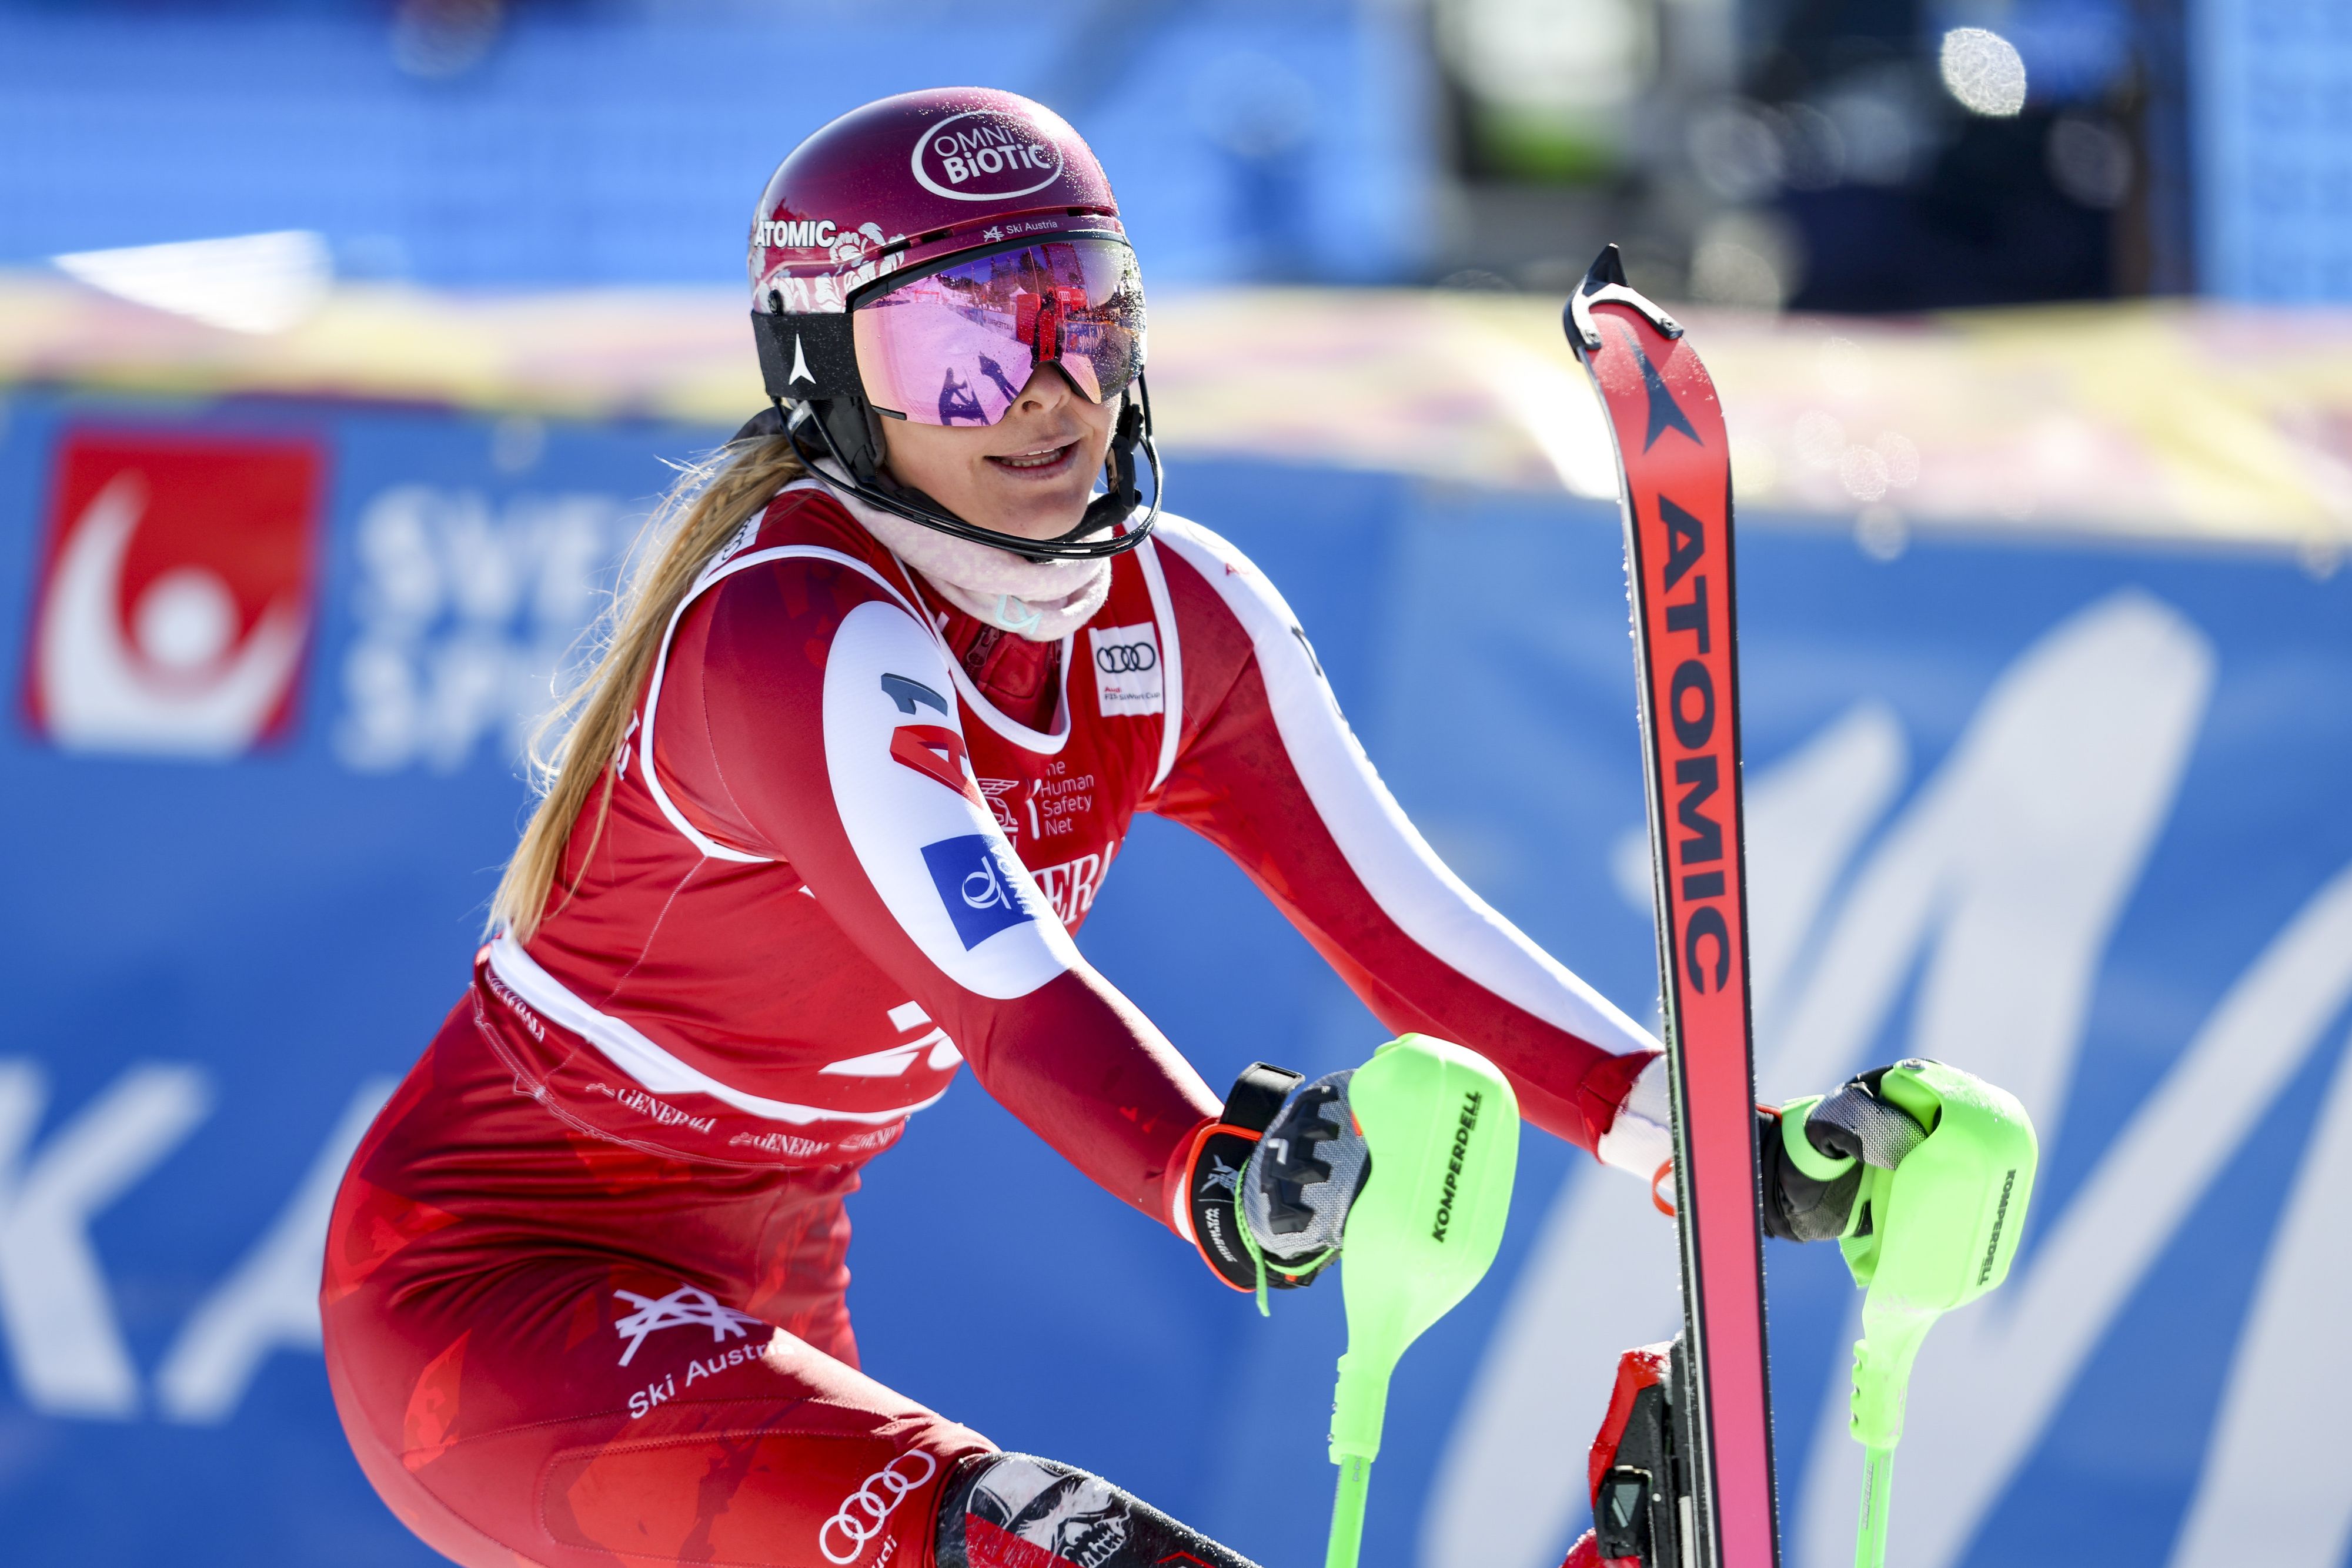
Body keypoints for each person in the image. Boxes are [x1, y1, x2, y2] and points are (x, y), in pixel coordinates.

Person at [321, 87, 1948, 1568]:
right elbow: (1006, 986)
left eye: (1082, 320)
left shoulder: (1175, 620)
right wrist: (1208, 1173)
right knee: (1059, 1549)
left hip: (767, 1275)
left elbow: (1403, 924)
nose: (1043, 394)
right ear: (828, 379)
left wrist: (1696, 1135)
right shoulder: (793, 631)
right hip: (495, 1304)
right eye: (958, 351)